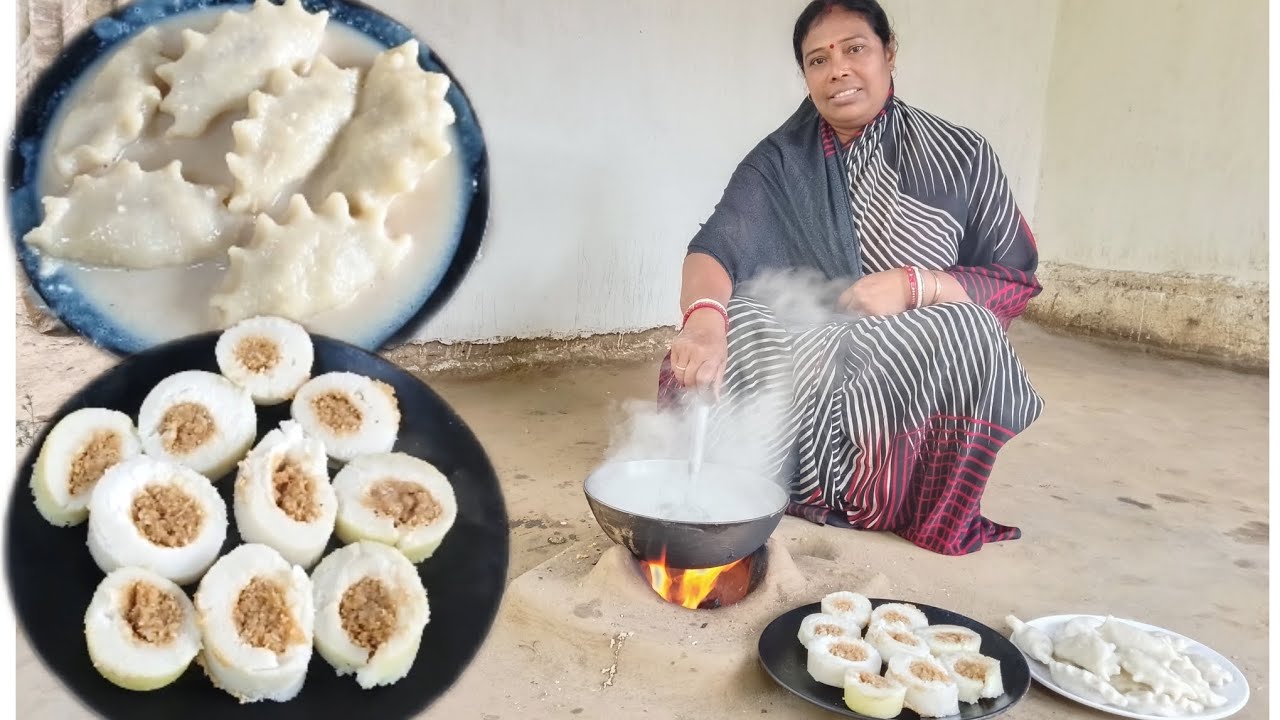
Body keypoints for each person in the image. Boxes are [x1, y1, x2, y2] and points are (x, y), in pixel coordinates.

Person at [659, 0, 1045, 556]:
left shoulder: (961, 156)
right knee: (735, 316)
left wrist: (916, 286)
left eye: (854, 49)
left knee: (971, 332)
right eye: (818, 59)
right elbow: (717, 245)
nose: (837, 69)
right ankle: (756, 480)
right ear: (806, 76)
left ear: (889, 52)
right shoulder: (780, 159)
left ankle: (899, 499)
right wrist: (702, 322)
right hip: (801, 346)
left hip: (904, 350)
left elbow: (1012, 281)